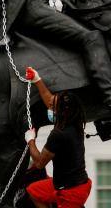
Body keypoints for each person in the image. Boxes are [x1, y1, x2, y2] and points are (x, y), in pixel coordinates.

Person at [24, 66, 92, 208]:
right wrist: (37, 80)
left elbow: (39, 163)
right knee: (34, 191)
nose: (49, 109)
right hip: (67, 184)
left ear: (62, 112)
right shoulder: (75, 122)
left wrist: (30, 141)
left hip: (72, 192)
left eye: (52, 108)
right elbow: (50, 100)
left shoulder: (58, 134)